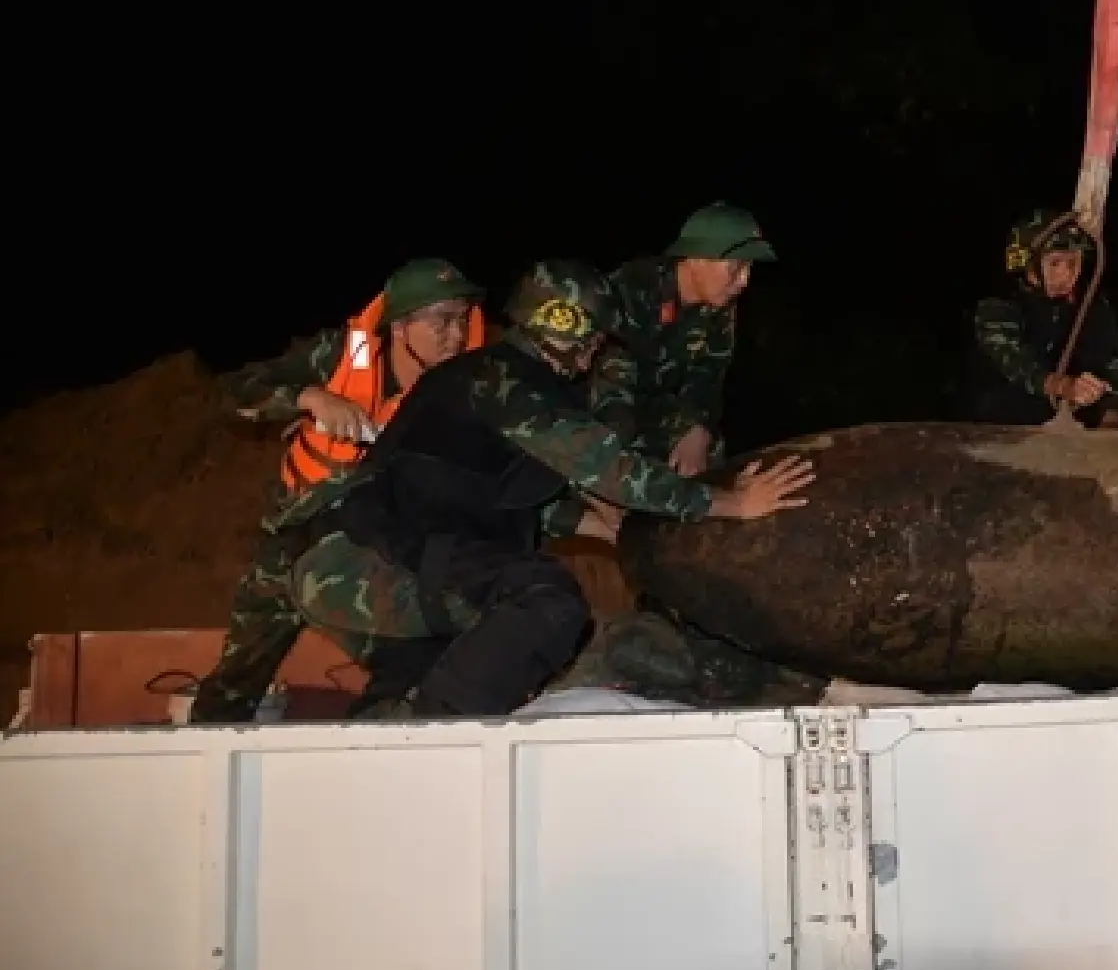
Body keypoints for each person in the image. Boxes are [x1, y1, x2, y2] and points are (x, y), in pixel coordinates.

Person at [188, 259, 816, 723]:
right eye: (594, 338)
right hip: (362, 557)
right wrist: (726, 504)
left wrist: (630, 534)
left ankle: (386, 738)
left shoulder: (500, 382)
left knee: (428, 666)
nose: (456, 331)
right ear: (573, 332)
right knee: (546, 603)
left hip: (391, 555)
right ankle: (436, 734)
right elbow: (604, 465)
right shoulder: (507, 382)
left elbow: (535, 501)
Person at [221, 258, 486, 495]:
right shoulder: (337, 355)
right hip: (302, 509)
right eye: (442, 322)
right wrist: (311, 397)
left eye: (462, 320)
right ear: (399, 328)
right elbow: (236, 391)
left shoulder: (471, 388)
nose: (458, 335)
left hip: (380, 525)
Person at [605, 202, 774, 477]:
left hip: (653, 405)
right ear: (695, 258)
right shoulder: (628, 294)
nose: (744, 280)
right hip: (597, 413)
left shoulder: (719, 304)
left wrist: (697, 429)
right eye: (735, 267)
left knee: (707, 448)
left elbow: (708, 373)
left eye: (750, 267)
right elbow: (611, 396)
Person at [960, 208, 1118, 427]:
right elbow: (1015, 363)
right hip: (998, 434)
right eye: (1054, 263)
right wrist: (1062, 386)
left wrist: (1112, 415)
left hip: (1070, 435)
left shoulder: (1090, 306)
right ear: (1029, 265)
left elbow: (1114, 365)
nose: (1066, 274)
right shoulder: (1000, 305)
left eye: (1073, 263)